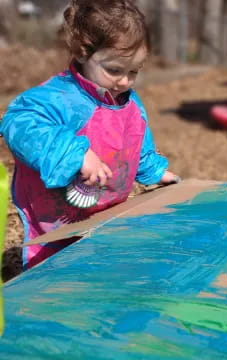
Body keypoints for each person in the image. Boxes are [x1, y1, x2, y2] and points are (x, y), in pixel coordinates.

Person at [0, 0, 179, 269]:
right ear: (82, 51)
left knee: (98, 273)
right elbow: (18, 123)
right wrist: (76, 153)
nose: (125, 81)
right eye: (115, 70)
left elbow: (135, 140)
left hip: (104, 215)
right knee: (53, 276)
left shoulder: (128, 102)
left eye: (134, 71)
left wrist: (155, 171)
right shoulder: (58, 98)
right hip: (55, 222)